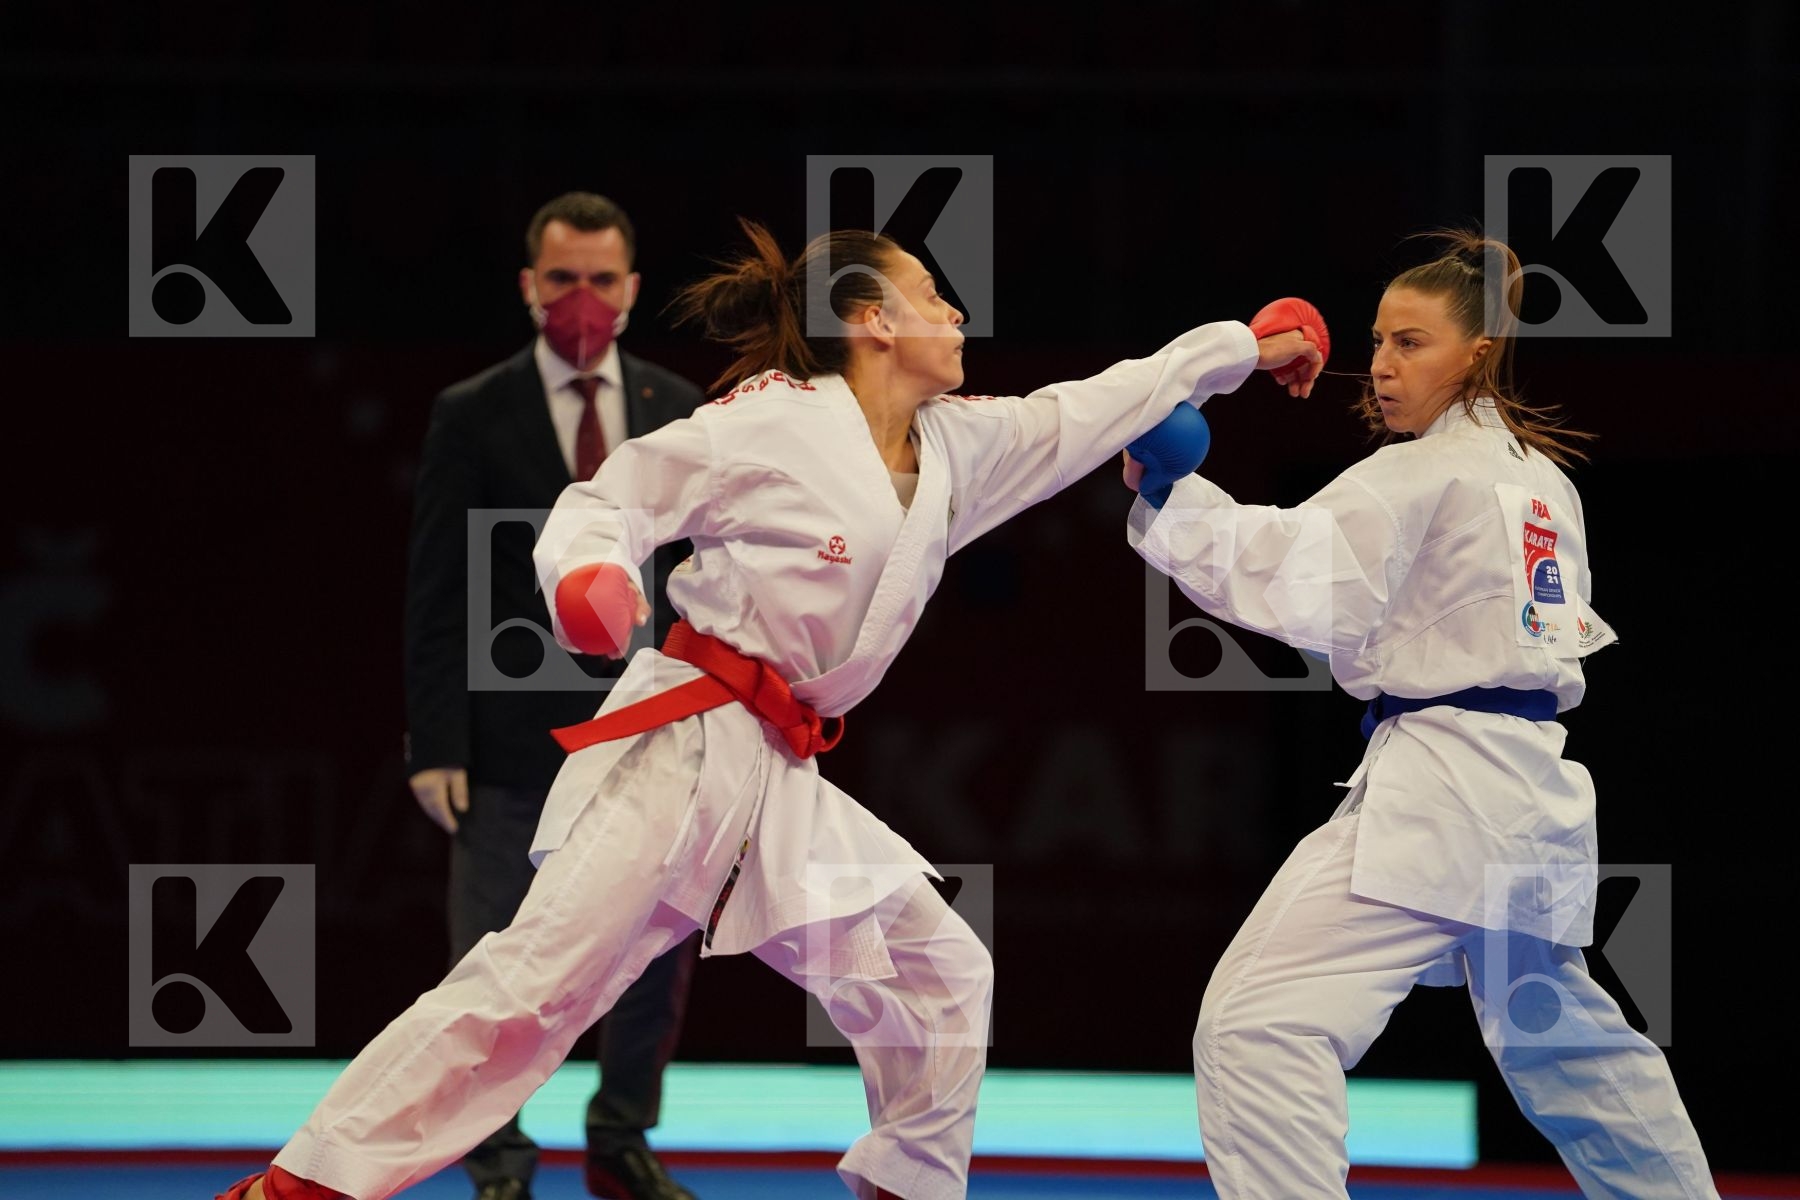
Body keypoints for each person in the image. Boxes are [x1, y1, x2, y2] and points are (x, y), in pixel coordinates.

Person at [216, 218, 1325, 1200]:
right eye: (933, 294)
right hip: (682, 750)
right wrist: (589, 583)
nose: (957, 313)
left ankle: (906, 1188)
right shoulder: (772, 420)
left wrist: (1248, 344)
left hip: (778, 781)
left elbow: (1104, 402)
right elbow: (611, 497)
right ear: (870, 319)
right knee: (530, 988)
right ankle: (302, 1183)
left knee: (941, 971)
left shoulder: (956, 449)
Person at [1122, 231, 1719, 1198]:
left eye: (1412, 344)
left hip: (1442, 785)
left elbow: (1292, 574)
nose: (1383, 367)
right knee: (1566, 1042)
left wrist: (1170, 494)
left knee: (1258, 1021)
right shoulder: (1539, 477)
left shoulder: (1425, 473)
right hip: (1529, 787)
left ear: (1477, 353)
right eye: (1379, 341)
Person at [402, 191, 705, 1200]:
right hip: (507, 739)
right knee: (494, 961)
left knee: (653, 956)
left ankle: (621, 1136)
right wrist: (435, 741)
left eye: (602, 280)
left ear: (631, 291)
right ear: (531, 286)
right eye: (563, 279)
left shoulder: (677, 410)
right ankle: (498, 1156)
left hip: (647, 736)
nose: (583, 298)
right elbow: (436, 591)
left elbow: (705, 585)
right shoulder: (472, 412)